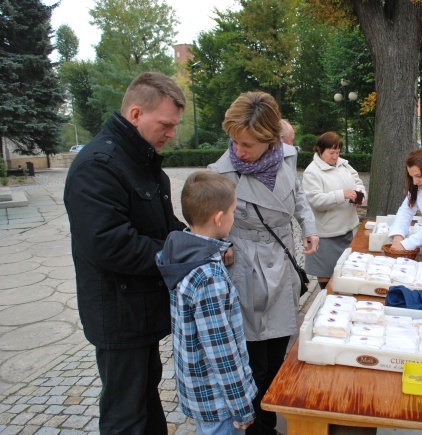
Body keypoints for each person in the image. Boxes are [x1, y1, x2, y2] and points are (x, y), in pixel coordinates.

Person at [63, 72, 187, 433]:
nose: (171, 134)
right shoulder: (98, 166)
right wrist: (181, 254)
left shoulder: (143, 163)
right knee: (126, 415)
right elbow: (110, 243)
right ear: (135, 114)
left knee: (146, 401)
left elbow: (164, 228)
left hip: (142, 311)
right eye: (165, 124)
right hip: (119, 314)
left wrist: (199, 242)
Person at [207, 91, 319, 435]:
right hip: (246, 264)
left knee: (277, 352)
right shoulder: (220, 173)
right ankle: (260, 427)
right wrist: (221, 245)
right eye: (235, 142)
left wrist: (308, 226)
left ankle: (268, 414)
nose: (238, 151)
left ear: (270, 140)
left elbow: (297, 195)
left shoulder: (286, 156)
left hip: (281, 258)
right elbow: (208, 223)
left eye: (247, 145)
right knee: (254, 358)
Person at [156, 171, 257, 435]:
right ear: (219, 217)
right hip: (219, 401)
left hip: (199, 391)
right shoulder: (208, 277)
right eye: (233, 212)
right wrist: (242, 406)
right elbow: (221, 352)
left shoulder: (181, 253)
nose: (234, 217)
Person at [302, 131, 366, 288]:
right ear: (319, 150)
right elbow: (316, 201)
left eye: (337, 152)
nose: (335, 156)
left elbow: (357, 181)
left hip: (347, 229)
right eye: (331, 152)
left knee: (346, 275)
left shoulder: (343, 164)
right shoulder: (312, 172)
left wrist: (360, 194)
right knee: (326, 277)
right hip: (327, 234)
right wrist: (342, 195)